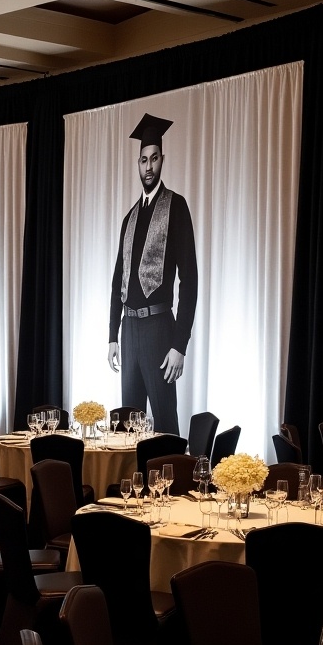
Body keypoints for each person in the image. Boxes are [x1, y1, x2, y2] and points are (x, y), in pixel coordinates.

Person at [107, 114, 198, 437]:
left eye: (154, 159)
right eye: (143, 160)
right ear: (138, 163)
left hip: (160, 329)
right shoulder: (130, 217)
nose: (148, 167)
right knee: (126, 425)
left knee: (164, 423)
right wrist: (112, 335)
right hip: (129, 330)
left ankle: (168, 486)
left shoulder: (176, 207)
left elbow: (190, 281)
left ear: (162, 160)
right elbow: (118, 278)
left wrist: (179, 344)